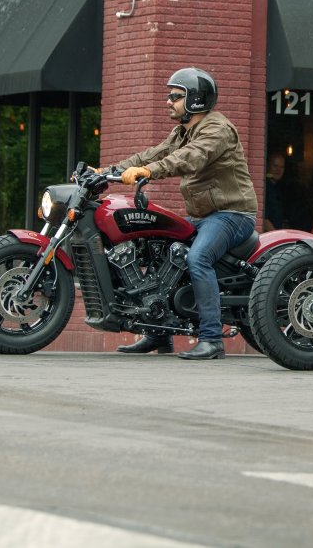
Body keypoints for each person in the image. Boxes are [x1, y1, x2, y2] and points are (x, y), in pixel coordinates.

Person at [107, 68, 258, 360]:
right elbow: (153, 154)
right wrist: (109, 171)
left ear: (196, 100)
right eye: (169, 96)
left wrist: (149, 172)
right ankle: (158, 333)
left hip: (232, 214)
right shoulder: (182, 132)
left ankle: (212, 339)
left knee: (198, 258)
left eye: (176, 96)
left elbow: (190, 157)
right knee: (158, 247)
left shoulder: (217, 130)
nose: (168, 101)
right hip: (204, 217)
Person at [263, 152, 289, 231]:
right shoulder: (264, 187)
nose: (278, 170)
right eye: (275, 166)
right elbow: (263, 219)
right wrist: (277, 237)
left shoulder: (280, 188)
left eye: (282, 167)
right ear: (268, 166)